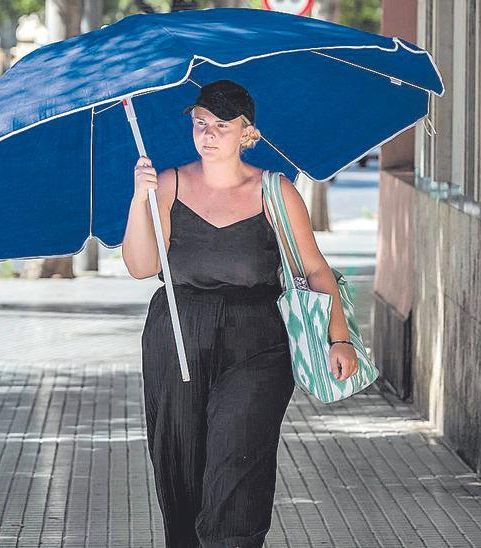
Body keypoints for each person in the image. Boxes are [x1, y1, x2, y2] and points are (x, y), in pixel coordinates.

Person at [122, 79, 359, 548]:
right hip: (178, 333)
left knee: (239, 456)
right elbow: (141, 267)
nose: (207, 135)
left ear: (246, 132)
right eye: (200, 124)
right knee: (180, 464)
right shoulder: (167, 184)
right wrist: (138, 198)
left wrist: (341, 338)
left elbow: (315, 270)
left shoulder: (275, 190)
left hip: (258, 340)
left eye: (220, 126)